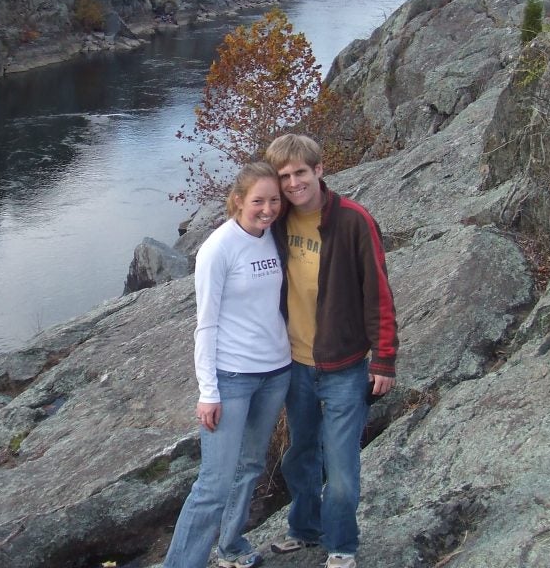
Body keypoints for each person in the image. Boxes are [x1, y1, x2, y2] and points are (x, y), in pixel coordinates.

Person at [264, 134, 398, 568]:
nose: (293, 183)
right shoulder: (277, 222)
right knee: (300, 454)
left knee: (340, 469)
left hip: (343, 368)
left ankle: (341, 546)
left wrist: (384, 358)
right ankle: (305, 529)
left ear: (319, 170)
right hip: (294, 366)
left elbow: (379, 292)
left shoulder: (355, 221)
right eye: (284, 176)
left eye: (300, 172)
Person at [163, 162, 292, 568]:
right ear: (238, 200)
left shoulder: (276, 239)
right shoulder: (218, 248)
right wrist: (208, 392)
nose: (268, 209)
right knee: (214, 483)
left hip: (276, 371)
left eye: (274, 200)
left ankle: (232, 547)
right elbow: (206, 325)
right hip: (232, 377)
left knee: (251, 466)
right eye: (258, 201)